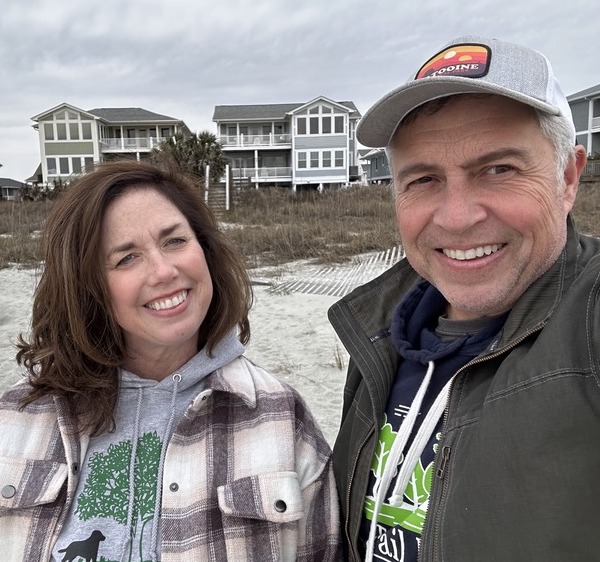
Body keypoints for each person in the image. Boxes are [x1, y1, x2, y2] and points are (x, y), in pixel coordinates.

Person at [328, 35, 598, 561]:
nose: (456, 216)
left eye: (499, 170)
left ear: (567, 178)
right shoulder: (383, 333)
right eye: (424, 179)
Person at [0, 159, 341, 561]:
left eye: (175, 241)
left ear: (206, 250)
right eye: (126, 257)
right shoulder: (19, 419)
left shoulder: (280, 417)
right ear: (87, 287)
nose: (164, 271)